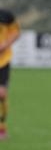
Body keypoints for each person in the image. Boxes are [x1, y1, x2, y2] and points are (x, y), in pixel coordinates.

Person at [0, 9, 20, 140]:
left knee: (1, 94)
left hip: (2, 61)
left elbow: (16, 32)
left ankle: (1, 129)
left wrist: (5, 44)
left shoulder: (6, 15)